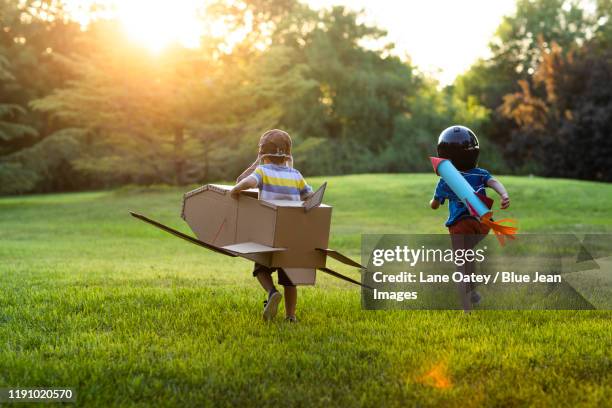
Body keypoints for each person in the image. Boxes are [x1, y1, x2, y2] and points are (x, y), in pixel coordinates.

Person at [231, 129, 313, 322]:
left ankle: (271, 292)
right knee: (290, 279)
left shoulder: (262, 171)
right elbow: (309, 196)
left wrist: (235, 190)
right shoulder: (296, 175)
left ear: (263, 154)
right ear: (287, 154)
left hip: (268, 234)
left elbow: (246, 182)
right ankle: (290, 316)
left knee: (261, 269)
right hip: (292, 236)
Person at [430, 125, 510, 308]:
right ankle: (473, 288)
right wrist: (504, 195)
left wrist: (434, 201)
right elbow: (494, 182)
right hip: (482, 224)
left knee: (461, 265)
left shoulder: (446, 180)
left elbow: (435, 205)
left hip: (460, 226)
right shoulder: (480, 173)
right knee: (468, 255)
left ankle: (467, 308)